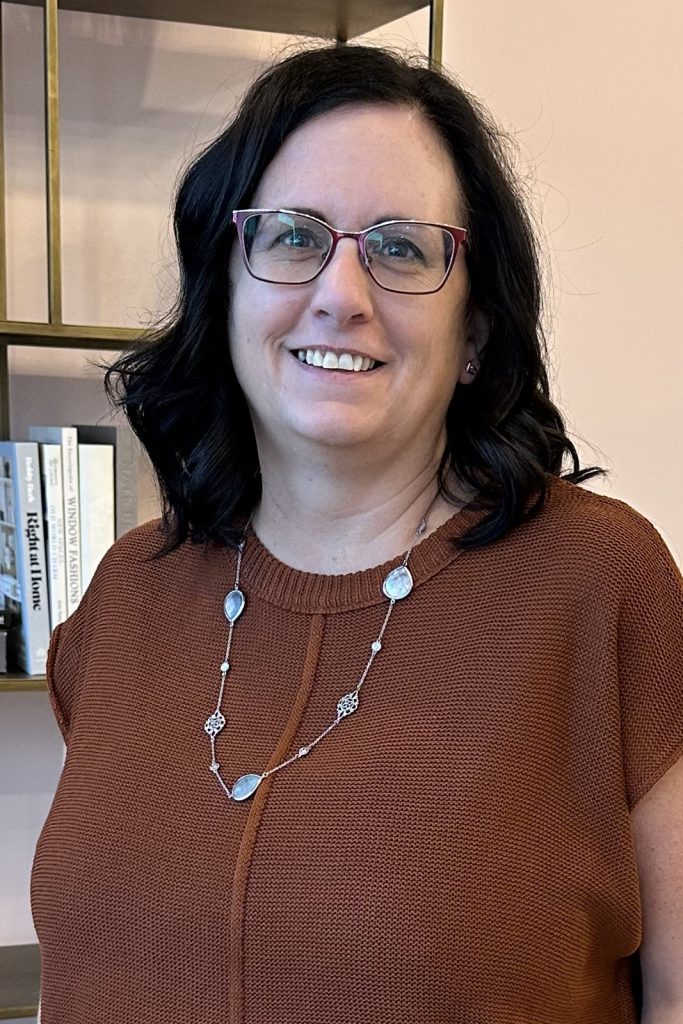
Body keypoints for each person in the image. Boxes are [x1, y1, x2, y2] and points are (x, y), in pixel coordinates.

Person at [31, 43, 683, 1024]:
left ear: (472, 334)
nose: (341, 293)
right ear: (226, 285)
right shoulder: (130, 590)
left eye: (401, 247)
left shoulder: (599, 582)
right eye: (293, 236)